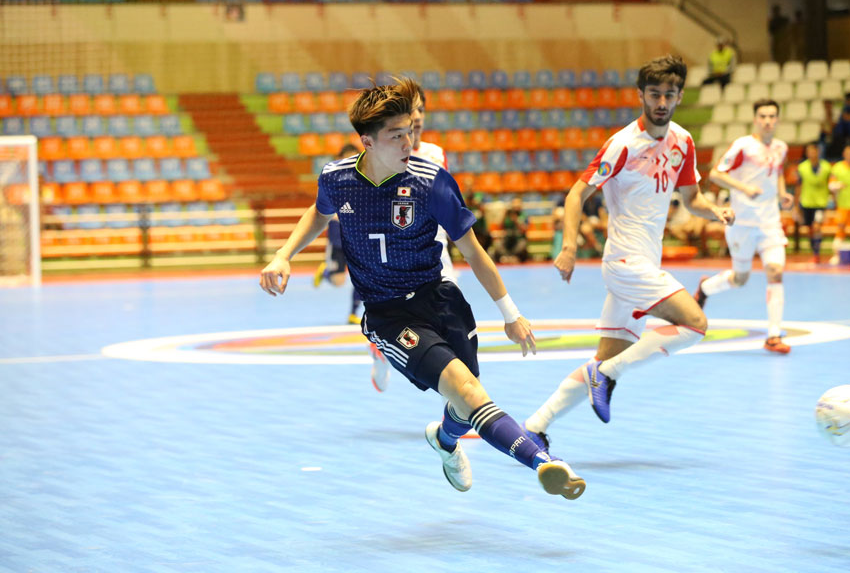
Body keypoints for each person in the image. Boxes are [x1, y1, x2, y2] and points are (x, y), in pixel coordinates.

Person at [259, 77, 585, 500]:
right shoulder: (337, 179)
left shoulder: (432, 181)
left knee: (467, 403)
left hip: (440, 297)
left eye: (411, 131)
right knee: (468, 393)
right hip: (389, 315)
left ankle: (445, 441)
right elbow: (318, 214)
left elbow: (473, 251)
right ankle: (544, 462)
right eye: (396, 136)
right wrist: (284, 254)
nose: (409, 142)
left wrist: (511, 314)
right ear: (367, 142)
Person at [522, 55, 734, 448]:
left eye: (669, 95)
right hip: (624, 262)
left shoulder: (683, 142)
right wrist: (569, 247)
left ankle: (535, 426)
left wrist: (715, 211)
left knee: (600, 361)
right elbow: (576, 194)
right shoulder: (622, 145)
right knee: (695, 324)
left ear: (679, 96)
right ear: (641, 95)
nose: (661, 102)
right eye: (654, 94)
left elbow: (692, 199)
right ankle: (610, 374)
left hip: (642, 266)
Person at [369, 81, 460, 393]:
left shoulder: (436, 154)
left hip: (436, 253)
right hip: (398, 258)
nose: (417, 116)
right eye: (410, 110)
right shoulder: (380, 156)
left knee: (452, 326)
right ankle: (381, 350)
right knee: (402, 327)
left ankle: (458, 406)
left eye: (420, 108)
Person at [694, 98, 794, 354]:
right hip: (742, 225)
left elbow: (778, 172)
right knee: (740, 278)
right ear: (755, 119)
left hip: (770, 224)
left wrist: (782, 193)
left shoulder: (781, 147)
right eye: (763, 116)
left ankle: (773, 336)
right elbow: (716, 174)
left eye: (772, 116)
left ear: (778, 119)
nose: (768, 121)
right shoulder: (743, 146)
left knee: (775, 271)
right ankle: (705, 288)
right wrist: (744, 188)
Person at [313, 144, 365, 324]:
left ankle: (353, 313)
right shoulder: (331, 180)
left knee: (362, 275)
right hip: (337, 235)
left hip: (358, 236)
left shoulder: (365, 180)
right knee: (338, 281)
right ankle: (327, 272)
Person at [794, 142, 832, 263]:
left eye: (813, 151)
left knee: (817, 227)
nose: (811, 154)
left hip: (820, 203)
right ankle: (814, 250)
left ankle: (817, 254)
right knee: (810, 229)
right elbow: (798, 186)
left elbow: (831, 183)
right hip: (806, 202)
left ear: (818, 152)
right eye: (809, 151)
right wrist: (796, 204)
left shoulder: (826, 167)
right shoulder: (802, 167)